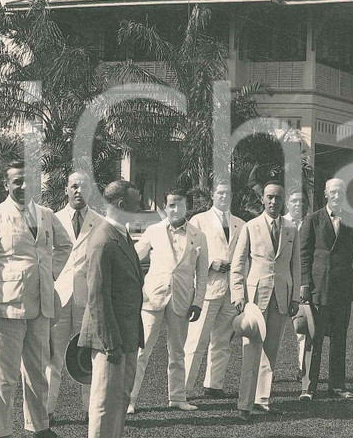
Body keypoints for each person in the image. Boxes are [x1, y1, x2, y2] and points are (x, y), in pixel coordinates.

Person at [0, 160, 73, 438]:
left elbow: (65, 246)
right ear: (7, 185)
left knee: (37, 371)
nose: (24, 186)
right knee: (3, 374)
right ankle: (1, 434)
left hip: (41, 305)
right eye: (17, 181)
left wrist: (50, 273)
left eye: (29, 180)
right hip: (6, 307)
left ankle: (40, 429)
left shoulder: (46, 215)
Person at [79, 180, 145, 438]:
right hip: (111, 333)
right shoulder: (103, 240)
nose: (141, 208)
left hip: (126, 330)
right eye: (136, 203)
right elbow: (97, 297)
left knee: (121, 393)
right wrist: (109, 341)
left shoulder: (119, 234)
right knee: (105, 393)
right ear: (121, 205)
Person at [129, 188, 208, 413]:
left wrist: (198, 302)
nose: (175, 209)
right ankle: (130, 400)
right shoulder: (153, 231)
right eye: (171, 205)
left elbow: (202, 273)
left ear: (187, 207)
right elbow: (134, 257)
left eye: (179, 205)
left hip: (182, 299)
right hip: (153, 297)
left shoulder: (198, 235)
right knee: (141, 351)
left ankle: (177, 398)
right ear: (164, 207)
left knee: (178, 352)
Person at [230, 180, 301, 420]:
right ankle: (244, 405)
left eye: (278, 198)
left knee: (271, 351)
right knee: (251, 351)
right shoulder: (250, 227)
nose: (273, 202)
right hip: (255, 297)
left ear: (284, 201)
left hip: (281, 296)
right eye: (269, 197)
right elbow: (238, 264)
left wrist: (295, 298)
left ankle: (263, 399)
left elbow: (296, 265)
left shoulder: (291, 228)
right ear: (262, 199)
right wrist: (238, 294)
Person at [299, 178, 353, 401]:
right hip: (318, 288)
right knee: (314, 338)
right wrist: (304, 284)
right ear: (326, 194)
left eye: (340, 191)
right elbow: (304, 254)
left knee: (340, 339)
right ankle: (308, 388)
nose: (337, 195)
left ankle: (337, 386)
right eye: (333, 191)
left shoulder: (351, 217)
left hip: (343, 288)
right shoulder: (312, 219)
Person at [47, 171, 102, 424]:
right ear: (66, 190)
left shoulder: (101, 222)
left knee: (89, 356)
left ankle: (92, 411)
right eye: (74, 186)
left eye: (84, 187)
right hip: (57, 297)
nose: (78, 191)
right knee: (52, 356)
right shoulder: (52, 220)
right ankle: (46, 411)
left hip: (88, 300)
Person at [184, 180, 245, 400]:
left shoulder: (240, 223)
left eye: (228, 193)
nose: (224, 197)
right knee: (196, 340)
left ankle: (214, 385)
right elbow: (189, 251)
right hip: (208, 288)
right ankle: (183, 389)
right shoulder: (199, 221)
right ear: (212, 194)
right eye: (220, 193)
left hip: (231, 291)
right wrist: (211, 264)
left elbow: (244, 257)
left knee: (222, 341)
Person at [257, 188, 310, 399]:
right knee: (257, 339)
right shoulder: (258, 225)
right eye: (295, 201)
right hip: (261, 291)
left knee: (301, 333)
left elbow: (297, 264)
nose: (299, 205)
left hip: (291, 290)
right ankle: (255, 389)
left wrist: (298, 291)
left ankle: (300, 373)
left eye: (303, 201)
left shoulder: (304, 225)